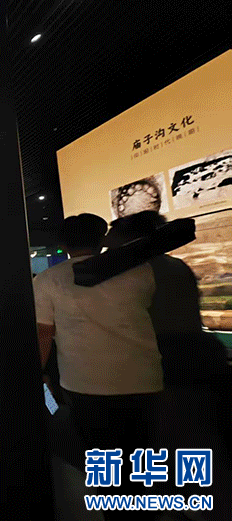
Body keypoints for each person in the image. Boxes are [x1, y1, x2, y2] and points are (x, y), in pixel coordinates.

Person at [34, 213, 163, 519]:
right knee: (143, 455)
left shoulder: (49, 279)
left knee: (103, 457)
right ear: (102, 238)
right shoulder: (140, 270)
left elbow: (44, 333)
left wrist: (38, 373)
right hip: (145, 377)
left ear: (63, 243)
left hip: (85, 381)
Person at [107, 211, 231, 517]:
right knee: (200, 436)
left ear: (128, 238)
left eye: (113, 236)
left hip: (164, 359)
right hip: (197, 355)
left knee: (174, 435)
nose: (108, 244)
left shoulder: (134, 271)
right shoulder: (175, 265)